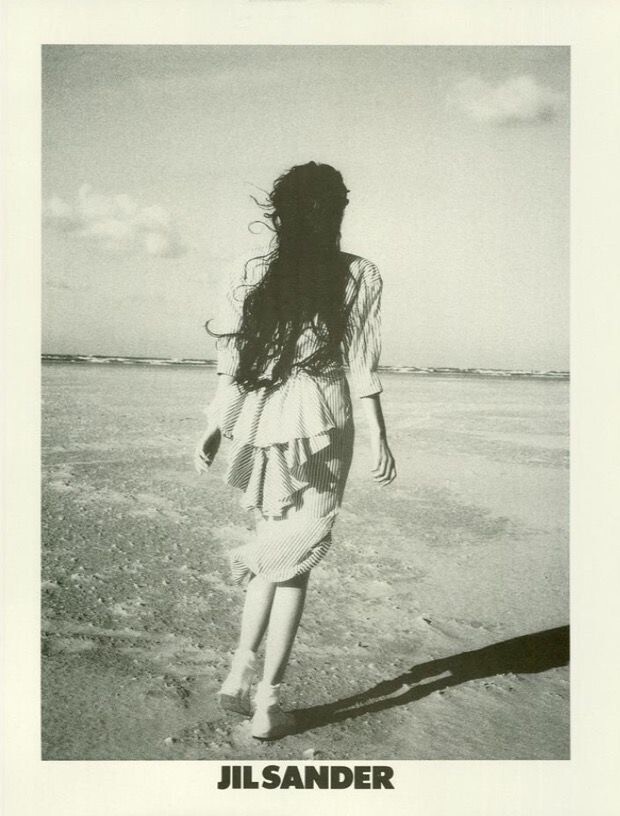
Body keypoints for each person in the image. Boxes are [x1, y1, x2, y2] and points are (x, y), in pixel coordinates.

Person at [194, 161, 396, 740]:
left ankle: (240, 672)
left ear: (281, 213)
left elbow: (232, 361)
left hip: (263, 415)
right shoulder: (360, 273)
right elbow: (362, 363)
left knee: (278, 546)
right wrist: (380, 435)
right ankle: (267, 703)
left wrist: (216, 425)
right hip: (326, 417)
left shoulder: (252, 269)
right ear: (336, 212)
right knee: (296, 559)